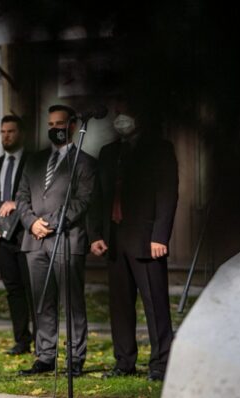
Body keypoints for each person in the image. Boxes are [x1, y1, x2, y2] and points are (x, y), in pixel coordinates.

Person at [88, 104, 178, 382]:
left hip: (146, 239)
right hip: (114, 238)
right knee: (120, 305)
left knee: (155, 303)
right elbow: (97, 196)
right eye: (117, 114)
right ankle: (124, 361)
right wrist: (96, 235)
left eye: (126, 113)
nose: (120, 119)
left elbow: (167, 193)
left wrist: (160, 236)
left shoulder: (159, 149)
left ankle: (161, 364)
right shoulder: (108, 152)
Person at [15, 104, 97, 378]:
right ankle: (46, 355)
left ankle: (75, 357)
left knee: (71, 301)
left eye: (59, 124)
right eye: (50, 124)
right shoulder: (35, 160)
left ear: (72, 125)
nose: (54, 129)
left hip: (66, 238)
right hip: (34, 241)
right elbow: (21, 197)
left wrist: (48, 223)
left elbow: (82, 200)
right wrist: (31, 222)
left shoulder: (84, 162)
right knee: (42, 301)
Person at [0, 115, 34, 355]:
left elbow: (37, 195)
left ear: (20, 133)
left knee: (32, 289)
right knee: (13, 291)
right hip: (1, 238)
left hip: (26, 235)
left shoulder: (33, 162)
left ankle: (43, 343)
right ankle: (21, 340)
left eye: (11, 131)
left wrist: (17, 202)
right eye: (3, 132)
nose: (6, 136)